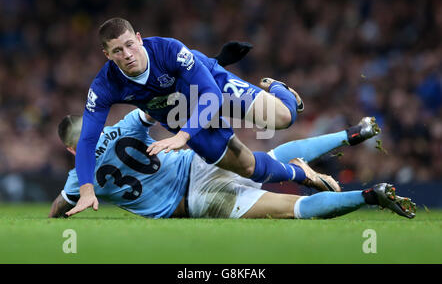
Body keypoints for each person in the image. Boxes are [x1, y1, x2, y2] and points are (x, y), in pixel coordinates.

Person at [69, 17, 327, 217]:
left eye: (129, 45)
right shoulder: (105, 85)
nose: (126, 54)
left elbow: (211, 94)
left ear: (139, 38)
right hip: (179, 114)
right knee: (248, 168)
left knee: (282, 118)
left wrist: (184, 136)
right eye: (116, 51)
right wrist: (87, 190)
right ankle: (301, 172)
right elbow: (88, 140)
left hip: (211, 86)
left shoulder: (168, 49)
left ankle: (282, 90)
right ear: (107, 55)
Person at [50, 109, 416, 220]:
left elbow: (59, 208)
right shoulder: (126, 123)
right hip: (200, 161)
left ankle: (371, 195)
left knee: (293, 209)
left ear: (71, 149)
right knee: (271, 159)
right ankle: (351, 134)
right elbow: (157, 103)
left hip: (196, 201)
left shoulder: (78, 177)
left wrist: (56, 215)